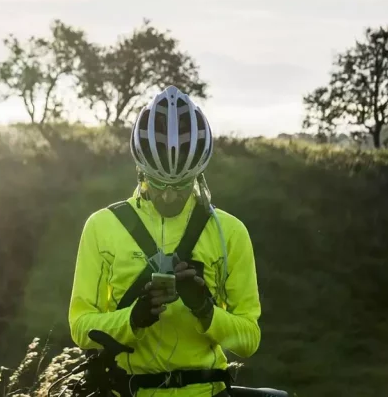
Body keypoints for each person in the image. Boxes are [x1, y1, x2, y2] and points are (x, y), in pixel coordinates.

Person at [68, 85, 261, 397]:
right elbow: (80, 327)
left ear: (199, 175)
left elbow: (249, 339)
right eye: (158, 182)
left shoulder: (230, 231)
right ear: (140, 170)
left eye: (182, 183)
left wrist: (205, 310)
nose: (169, 194)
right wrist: (132, 319)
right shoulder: (102, 227)